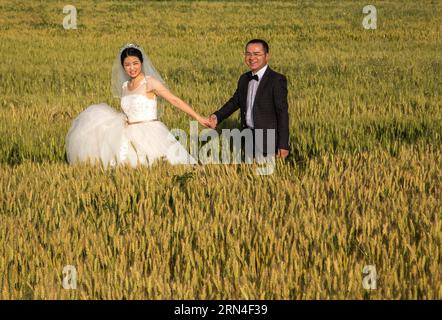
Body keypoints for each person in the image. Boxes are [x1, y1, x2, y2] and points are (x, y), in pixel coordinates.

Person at [66, 43, 210, 167]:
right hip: (127, 133)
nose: (132, 68)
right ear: (123, 66)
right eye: (127, 65)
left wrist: (198, 117)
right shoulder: (124, 86)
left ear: (141, 62)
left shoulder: (149, 82)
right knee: (124, 166)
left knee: (158, 165)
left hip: (150, 133)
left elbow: (175, 100)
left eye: (135, 63)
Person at [208, 39, 289, 159]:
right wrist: (217, 116)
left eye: (257, 54)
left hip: (269, 141)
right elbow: (235, 102)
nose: (252, 58)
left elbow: (282, 113)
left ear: (267, 56)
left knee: (266, 176)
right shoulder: (244, 78)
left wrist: (283, 144)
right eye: (248, 54)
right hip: (248, 137)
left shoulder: (276, 80)